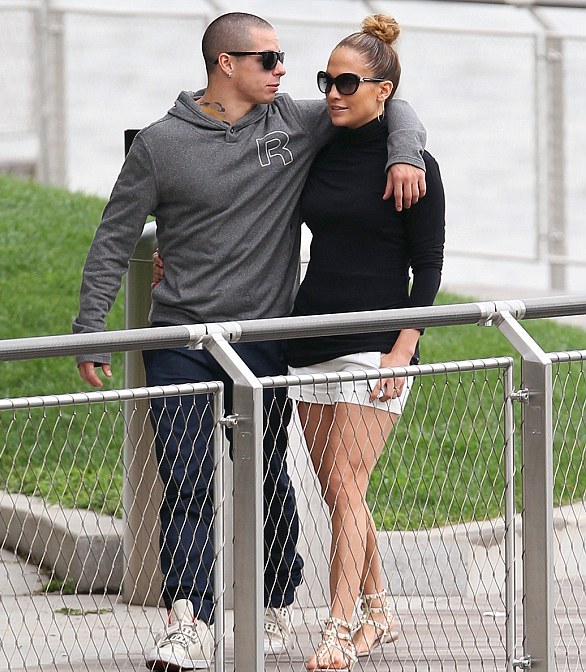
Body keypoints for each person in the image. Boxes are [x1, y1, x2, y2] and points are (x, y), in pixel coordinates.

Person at [73, 12, 428, 671]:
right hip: (180, 338)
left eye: (283, 58)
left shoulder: (294, 122)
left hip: (265, 339)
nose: (283, 70)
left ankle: (274, 601)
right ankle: (189, 621)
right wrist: (89, 331)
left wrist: (405, 152)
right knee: (186, 479)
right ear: (226, 64)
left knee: (265, 479)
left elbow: (389, 103)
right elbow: (112, 239)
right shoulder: (159, 145)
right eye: (269, 60)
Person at [285, 15, 446, 671]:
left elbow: (428, 269)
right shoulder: (317, 152)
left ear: (384, 91)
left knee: (348, 484)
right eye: (326, 80)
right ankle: (379, 614)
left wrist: (402, 350)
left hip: (377, 343)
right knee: (337, 489)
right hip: (309, 334)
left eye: (347, 82)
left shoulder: (415, 164)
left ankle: (335, 628)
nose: (332, 92)